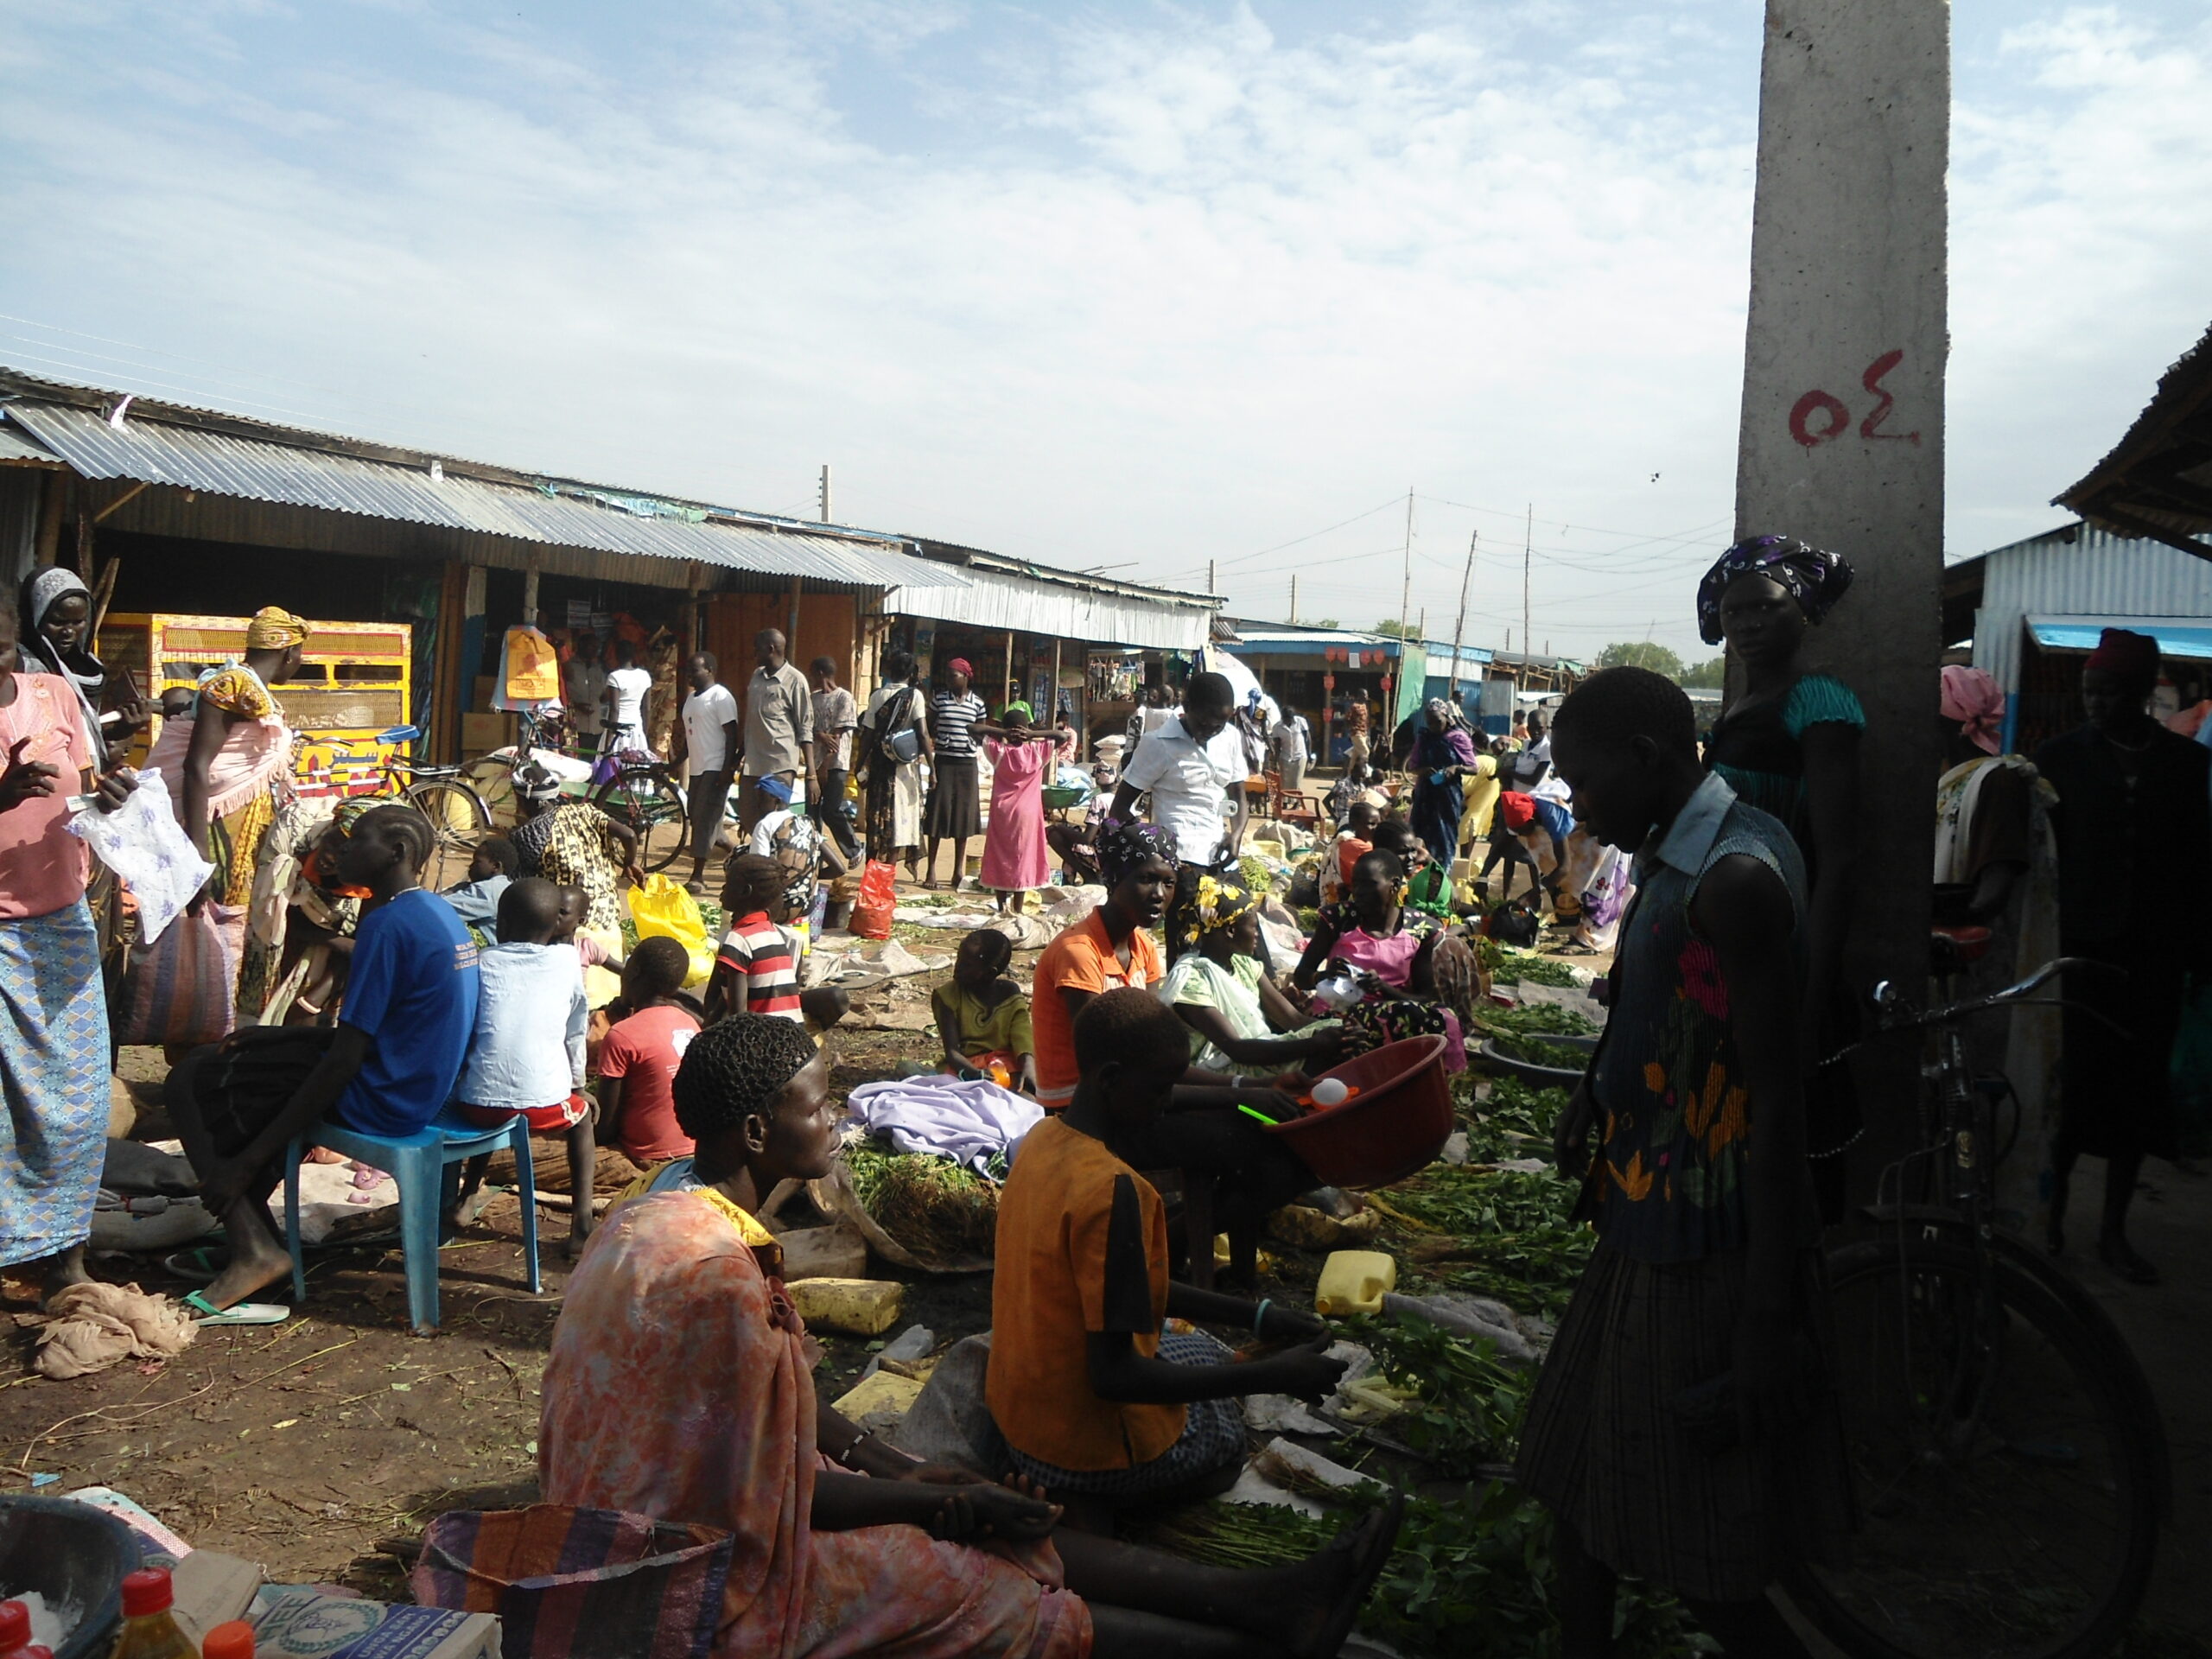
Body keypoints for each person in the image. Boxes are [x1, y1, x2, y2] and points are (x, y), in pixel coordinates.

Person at [542, 1012, 1402, 1659]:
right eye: (820, 1104)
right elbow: (772, 1500)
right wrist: (929, 1501)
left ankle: (1268, 1601)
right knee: (975, 1574)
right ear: (759, 1131)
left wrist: (904, 1467)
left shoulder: (660, 1208)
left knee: (984, 1518)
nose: (840, 1116)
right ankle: (1258, 1639)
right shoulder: (720, 1277)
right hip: (692, 1582)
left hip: (663, 1519)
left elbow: (785, 1422)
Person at [1523, 667, 1849, 1659]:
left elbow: (1776, 1097)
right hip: (1644, 1209)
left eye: (1583, 786)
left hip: (1702, 1246)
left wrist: (1761, 1313)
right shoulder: (1678, 852)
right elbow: (1654, 1002)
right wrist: (1597, 1086)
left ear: (1644, 758)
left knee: (1695, 1555)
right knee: (1575, 1478)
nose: (1576, 808)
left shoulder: (1735, 879)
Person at [988, 990, 1367, 1521]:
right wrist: (1275, 1375)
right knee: (1226, 1437)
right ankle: (1105, 1509)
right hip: (1080, 1453)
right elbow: (1114, 1378)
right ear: (1112, 1079)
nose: (1169, 1102)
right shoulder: (1115, 1191)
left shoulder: (1040, 1142)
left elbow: (1125, 1287)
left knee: (1200, 1352)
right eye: (1161, 1089)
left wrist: (1260, 1316)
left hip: (1019, 1419)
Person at [167, 805, 481, 1314]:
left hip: (386, 1099)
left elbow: (341, 1062)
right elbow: (371, 1035)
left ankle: (253, 1246)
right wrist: (267, 1042)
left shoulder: (388, 926)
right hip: (421, 1084)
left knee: (188, 1081)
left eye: (359, 842)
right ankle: (253, 1231)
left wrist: (244, 1162)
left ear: (396, 853)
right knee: (244, 1055)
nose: (342, 852)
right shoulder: (434, 911)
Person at [2034, 628, 2212, 1284]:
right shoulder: (2058, 759)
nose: (2096, 704)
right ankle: (2050, 1219)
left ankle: (2113, 1229)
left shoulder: (2185, 764)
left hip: (2155, 957)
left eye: (2109, 692)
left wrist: (2199, 955)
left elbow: (2199, 864)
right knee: (2075, 1091)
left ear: (2142, 693)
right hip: (2080, 953)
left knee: (2138, 1094)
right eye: (2089, 692)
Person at [1696, 535, 1863, 1211]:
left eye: (1765, 607)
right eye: (1734, 614)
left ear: (1804, 609)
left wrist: (1814, 991)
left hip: (1784, 948)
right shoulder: (1739, 706)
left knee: (1786, 1148)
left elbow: (1843, 855)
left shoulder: (1818, 701)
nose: (1748, 625)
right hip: (1730, 941)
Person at [0, 598, 137, 1305]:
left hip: (60, 922)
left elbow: (88, 794)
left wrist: (113, 795)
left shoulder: (53, 695)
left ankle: (63, 1251)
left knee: (77, 1103)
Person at [1930, 665, 2060, 1237]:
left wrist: (1938, 920)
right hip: (1966, 981)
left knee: (1975, 1108)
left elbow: (1994, 889)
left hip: (1987, 983)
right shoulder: (1957, 779)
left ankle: (1975, 1242)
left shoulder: (1998, 782)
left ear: (1954, 723)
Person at [453, 878, 594, 1252]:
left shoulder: (481, 963)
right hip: (542, 1108)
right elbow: (576, 1032)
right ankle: (581, 1224)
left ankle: (466, 1195)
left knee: (491, 1089)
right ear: (554, 927)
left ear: (499, 923)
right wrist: (578, 1086)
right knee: (583, 1120)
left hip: (475, 1108)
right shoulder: (566, 962)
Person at [148, 605, 308, 914]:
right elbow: (197, 766)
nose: (299, 663)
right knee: (203, 923)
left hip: (235, 823)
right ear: (289, 653)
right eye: (300, 655)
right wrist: (199, 853)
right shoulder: (232, 685)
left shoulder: (248, 687)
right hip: (211, 825)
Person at [1294, 849, 1477, 1071]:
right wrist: (1324, 976)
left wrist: (1382, 988)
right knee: (1370, 1023)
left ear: (1394, 885)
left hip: (1396, 1011)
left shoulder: (1420, 929)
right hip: (1338, 1013)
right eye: (1356, 884)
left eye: (1368, 884)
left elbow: (1426, 996)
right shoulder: (1339, 919)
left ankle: (1444, 1079)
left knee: (1442, 1017)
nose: (1358, 892)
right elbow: (1301, 977)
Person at [1109, 673, 1248, 963]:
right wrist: (1154, 848)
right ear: (1186, 707)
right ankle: (1182, 1007)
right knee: (1187, 949)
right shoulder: (1157, 743)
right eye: (1204, 721)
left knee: (1238, 937)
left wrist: (1235, 836)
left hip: (1220, 855)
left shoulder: (1231, 738)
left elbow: (1239, 796)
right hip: (1181, 862)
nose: (1211, 728)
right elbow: (1120, 808)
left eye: (1219, 722)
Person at [1160, 877, 1341, 1074]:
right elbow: (1237, 1049)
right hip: (1222, 1068)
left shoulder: (1244, 965)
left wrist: (1338, 1031)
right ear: (1230, 930)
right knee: (1320, 1060)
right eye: (1254, 927)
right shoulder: (1192, 979)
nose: (1257, 935)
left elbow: (1293, 1019)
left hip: (1256, 1052)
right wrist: (1315, 1044)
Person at [17, 566, 148, 766]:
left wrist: (120, 732)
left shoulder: (89, 669)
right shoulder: (21, 667)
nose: (68, 632)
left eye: (78, 622)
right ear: (35, 616)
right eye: (57, 622)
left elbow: (78, 736)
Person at [595, 935, 701, 1172]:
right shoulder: (689, 1023)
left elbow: (605, 1130)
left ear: (633, 971)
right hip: (694, 1151)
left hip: (646, 1157)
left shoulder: (621, 1035)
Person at [509, 763, 642, 942]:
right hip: (609, 920)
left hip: (569, 929)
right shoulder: (585, 810)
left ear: (522, 801)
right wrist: (629, 863)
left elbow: (520, 885)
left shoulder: (528, 834)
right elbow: (629, 834)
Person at [976, 702, 1076, 914]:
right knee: (1022, 858)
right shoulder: (1038, 751)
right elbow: (1063, 737)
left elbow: (973, 729)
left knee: (999, 856)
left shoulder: (999, 752)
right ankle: (1018, 909)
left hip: (1002, 812)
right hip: (1028, 814)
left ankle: (1002, 907)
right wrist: (1031, 735)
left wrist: (1003, 733)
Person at [932, 928, 1039, 1094]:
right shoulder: (947, 996)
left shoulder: (1010, 993)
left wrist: (1029, 1068)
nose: (957, 967)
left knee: (1026, 1099)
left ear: (989, 973)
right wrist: (975, 1073)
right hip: (965, 1066)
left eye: (967, 964)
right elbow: (953, 1052)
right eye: (959, 959)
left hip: (1006, 1066)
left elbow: (1022, 1038)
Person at [672, 652, 741, 895]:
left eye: (695, 670)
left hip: (715, 767)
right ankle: (735, 853)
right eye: (688, 670)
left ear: (710, 669)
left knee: (704, 820)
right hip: (698, 769)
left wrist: (728, 768)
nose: (690, 674)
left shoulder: (721, 697)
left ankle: (698, 875)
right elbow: (689, 738)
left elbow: (732, 734)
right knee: (700, 817)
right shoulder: (691, 699)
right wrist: (674, 764)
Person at [861, 646, 931, 879]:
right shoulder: (915, 696)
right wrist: (932, 767)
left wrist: (860, 764)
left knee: (878, 820)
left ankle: (874, 876)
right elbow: (922, 733)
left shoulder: (876, 696)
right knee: (900, 823)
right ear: (911, 673)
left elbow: (867, 735)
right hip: (904, 770)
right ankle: (888, 876)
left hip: (880, 767)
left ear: (889, 671)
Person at [707, 852, 802, 1023]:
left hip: (763, 1041)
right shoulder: (773, 934)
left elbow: (739, 1018)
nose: (723, 890)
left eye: (728, 884)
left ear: (745, 891)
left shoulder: (737, 940)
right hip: (793, 1036)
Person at [741, 628, 815, 837]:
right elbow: (751, 720)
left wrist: (811, 773)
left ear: (771, 649)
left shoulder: (795, 680)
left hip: (779, 764)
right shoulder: (757, 676)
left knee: (773, 821)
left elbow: (805, 727)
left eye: (757, 649)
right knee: (749, 819)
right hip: (752, 763)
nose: (754, 653)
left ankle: (774, 866)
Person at [749, 776, 839, 944]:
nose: (757, 804)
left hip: (778, 906)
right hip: (807, 906)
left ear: (775, 800)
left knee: (740, 863)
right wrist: (804, 877)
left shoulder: (766, 824)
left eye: (761, 799)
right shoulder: (807, 823)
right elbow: (838, 868)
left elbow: (758, 869)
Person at [924, 657, 987, 890]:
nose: (949, 679)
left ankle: (958, 871)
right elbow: (928, 727)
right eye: (948, 675)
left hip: (967, 765)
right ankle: (930, 870)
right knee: (937, 815)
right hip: (944, 762)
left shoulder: (978, 703)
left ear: (966, 676)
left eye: (954, 675)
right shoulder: (939, 700)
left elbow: (981, 732)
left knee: (963, 816)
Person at [1408, 699, 1478, 868]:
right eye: (1430, 722)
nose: (1433, 726)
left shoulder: (1458, 738)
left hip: (1448, 796)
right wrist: (1423, 771)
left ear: (1446, 717)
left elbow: (1473, 768)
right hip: (1425, 794)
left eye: (1437, 721)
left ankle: (1443, 874)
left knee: (1444, 836)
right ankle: (1419, 873)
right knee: (1419, 834)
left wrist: (1455, 768)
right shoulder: (1424, 738)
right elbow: (1413, 766)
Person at [810, 656, 862, 862]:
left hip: (836, 764)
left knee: (831, 810)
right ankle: (815, 857)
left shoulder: (844, 698)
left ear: (820, 673)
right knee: (812, 814)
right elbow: (809, 728)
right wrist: (820, 735)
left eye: (812, 673)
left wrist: (825, 766)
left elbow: (836, 738)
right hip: (815, 763)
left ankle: (854, 848)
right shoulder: (813, 699)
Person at [438, 835, 518, 950]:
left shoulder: (487, 891)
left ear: (495, 866)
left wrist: (453, 890)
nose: (471, 866)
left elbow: (437, 909)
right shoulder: (505, 886)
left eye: (477, 862)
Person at [1480, 791, 1547, 906]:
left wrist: (1535, 892)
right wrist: (1482, 878)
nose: (1519, 836)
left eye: (1521, 832)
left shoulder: (1551, 820)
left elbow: (1562, 869)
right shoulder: (1517, 822)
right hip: (1517, 805)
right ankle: (1507, 898)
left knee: (1533, 858)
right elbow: (1499, 849)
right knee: (1509, 852)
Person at [599, 637, 656, 763]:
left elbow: (615, 709)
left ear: (616, 655)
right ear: (633, 655)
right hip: (636, 728)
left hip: (617, 730)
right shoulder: (644, 676)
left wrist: (608, 741)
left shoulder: (615, 677)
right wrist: (644, 733)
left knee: (613, 769)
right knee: (635, 768)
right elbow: (646, 708)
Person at [1319, 797, 1380, 906]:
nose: (1376, 828)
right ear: (1353, 824)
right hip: (1350, 901)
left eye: (1378, 824)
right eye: (1371, 824)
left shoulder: (1359, 842)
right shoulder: (1355, 845)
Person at [563, 629, 606, 745]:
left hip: (596, 727)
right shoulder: (570, 667)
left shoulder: (598, 669)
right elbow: (562, 693)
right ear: (581, 646)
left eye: (597, 647)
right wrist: (576, 705)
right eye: (592, 646)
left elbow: (602, 696)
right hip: (576, 727)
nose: (595, 650)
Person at [1269, 708, 1311, 801]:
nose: (1288, 721)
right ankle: (1284, 802)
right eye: (1286, 719)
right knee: (1285, 782)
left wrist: (1309, 754)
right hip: (1285, 756)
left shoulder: (1301, 722)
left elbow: (1307, 739)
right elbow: (1277, 746)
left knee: (1296, 781)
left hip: (1300, 756)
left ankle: (1296, 802)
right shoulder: (1277, 727)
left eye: (1290, 719)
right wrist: (1275, 761)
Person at [1342, 693, 1371, 778]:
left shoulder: (1365, 706)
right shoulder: (1354, 706)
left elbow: (1366, 721)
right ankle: (1363, 773)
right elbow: (1347, 718)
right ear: (1360, 696)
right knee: (1365, 752)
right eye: (1364, 695)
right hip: (1356, 733)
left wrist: (1367, 734)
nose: (1366, 697)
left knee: (1355, 756)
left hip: (1363, 733)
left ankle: (1349, 775)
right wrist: (1350, 729)